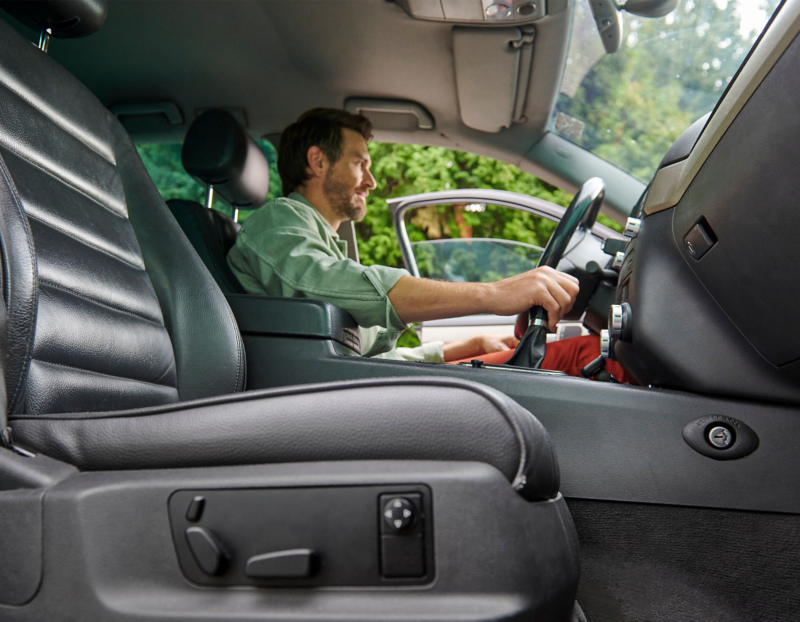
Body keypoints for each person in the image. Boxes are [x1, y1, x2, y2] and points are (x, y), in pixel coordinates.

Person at [227, 108, 627, 379]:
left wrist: (463, 345)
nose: (372, 181)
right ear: (317, 162)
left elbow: (372, 358)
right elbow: (353, 292)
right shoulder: (276, 224)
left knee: (580, 352)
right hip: (347, 396)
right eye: (359, 163)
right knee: (581, 356)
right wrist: (494, 293)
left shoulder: (316, 240)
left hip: (362, 383)